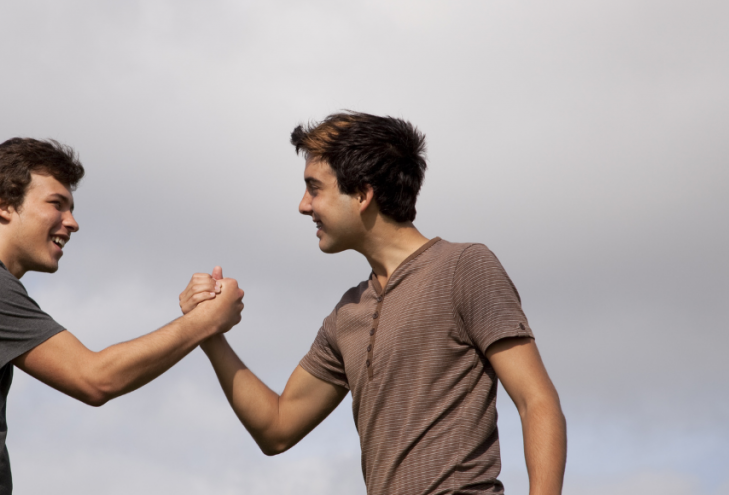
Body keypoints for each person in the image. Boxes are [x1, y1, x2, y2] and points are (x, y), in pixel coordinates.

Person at [179, 113, 566, 495]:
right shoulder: (346, 315)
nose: (302, 205)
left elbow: (537, 402)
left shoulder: (463, 267)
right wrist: (206, 330)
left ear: (363, 195)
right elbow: (277, 428)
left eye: (314, 188)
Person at [0, 137, 244, 495]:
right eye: (57, 204)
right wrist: (206, 321)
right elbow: (95, 378)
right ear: (4, 205)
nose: (72, 222)